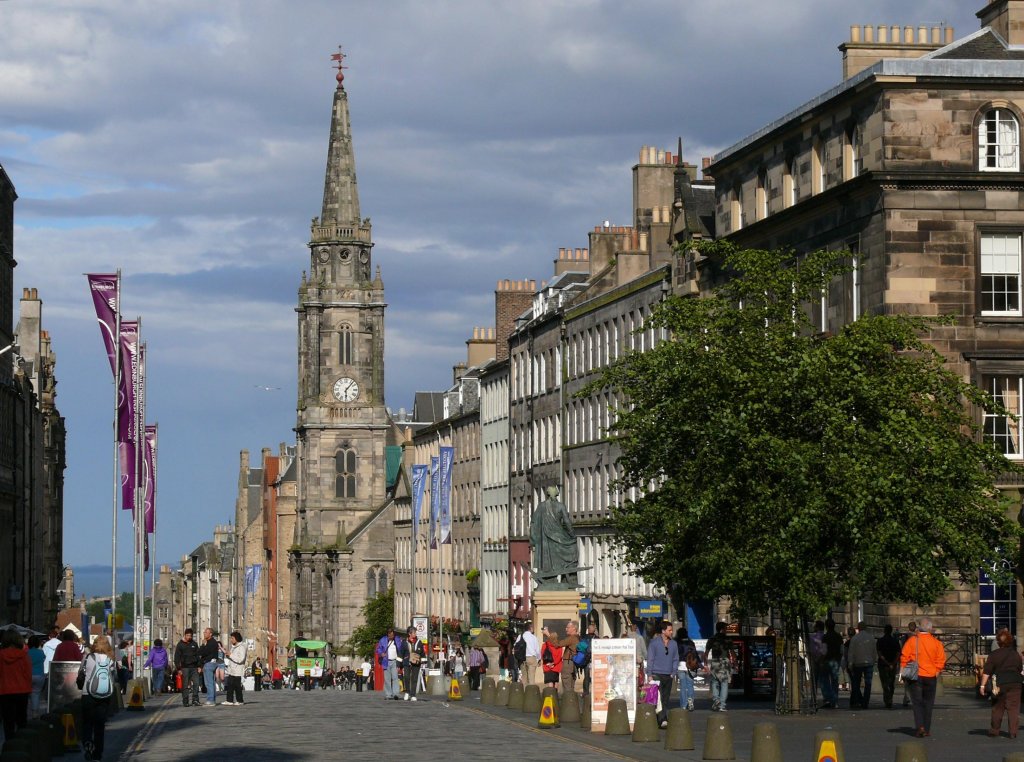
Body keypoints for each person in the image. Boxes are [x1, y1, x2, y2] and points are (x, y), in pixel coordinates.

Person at [900, 617, 945, 738]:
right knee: (928, 703)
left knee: (917, 702)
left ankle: (920, 726)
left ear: (919, 628)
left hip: (916, 676)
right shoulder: (936, 643)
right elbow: (941, 659)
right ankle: (927, 728)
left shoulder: (912, 641)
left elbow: (904, 656)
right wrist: (936, 671)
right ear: (930, 628)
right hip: (930, 675)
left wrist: (903, 671)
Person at [529, 486, 579, 587]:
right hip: (558, 536)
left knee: (548, 556)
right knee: (573, 548)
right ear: (556, 494)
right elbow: (567, 522)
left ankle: (551, 578)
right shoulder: (560, 506)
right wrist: (573, 535)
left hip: (546, 539)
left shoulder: (541, 506)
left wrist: (534, 538)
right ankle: (568, 576)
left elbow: (534, 522)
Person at [79, 635, 116, 761]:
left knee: (87, 723)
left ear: (94, 644)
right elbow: (113, 675)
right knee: (100, 726)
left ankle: (88, 743)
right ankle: (97, 754)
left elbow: (81, 673)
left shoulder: (88, 657)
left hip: (87, 694)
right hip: (104, 695)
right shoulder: (111, 660)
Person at [980, 627, 1022, 738]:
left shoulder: (994, 655)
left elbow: (987, 672)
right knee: (1013, 708)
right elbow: (1019, 668)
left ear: (998, 642)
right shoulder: (1016, 654)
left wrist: (982, 685)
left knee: (998, 707)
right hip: (1015, 682)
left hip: (999, 683)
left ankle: (995, 730)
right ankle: (1013, 732)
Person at [646, 621, 679, 729]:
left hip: (668, 675)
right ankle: (663, 719)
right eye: (669, 630)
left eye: (671, 630)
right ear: (663, 631)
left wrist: (673, 672)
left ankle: (660, 718)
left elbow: (675, 659)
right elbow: (650, 659)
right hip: (656, 674)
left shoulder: (673, 644)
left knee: (665, 698)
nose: (671, 632)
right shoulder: (654, 643)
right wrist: (649, 674)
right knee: (658, 698)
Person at [0, 629, 31, 740]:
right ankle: (21, 745)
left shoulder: (1, 655)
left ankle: (9, 746)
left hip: (5, 691)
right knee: (21, 721)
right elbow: (27, 674)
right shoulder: (23, 655)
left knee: (8, 722)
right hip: (22, 690)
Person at [542, 621, 580, 695]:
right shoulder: (578, 637)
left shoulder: (571, 638)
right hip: (573, 664)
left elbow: (557, 644)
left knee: (567, 686)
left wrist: (548, 635)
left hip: (568, 663)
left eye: (568, 627)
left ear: (574, 628)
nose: (566, 629)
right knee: (571, 685)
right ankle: (571, 702)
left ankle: (568, 704)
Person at [704, 621, 733, 712]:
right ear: (722, 629)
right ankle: (722, 705)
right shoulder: (728, 639)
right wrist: (735, 663)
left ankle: (716, 700)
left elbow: (706, 653)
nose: (727, 630)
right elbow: (732, 652)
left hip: (715, 662)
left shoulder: (712, 639)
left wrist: (705, 664)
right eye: (726, 628)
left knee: (715, 682)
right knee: (724, 683)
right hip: (724, 662)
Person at [847, 621, 875, 709]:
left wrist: (850, 663)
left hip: (858, 663)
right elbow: (874, 651)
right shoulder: (871, 638)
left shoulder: (855, 638)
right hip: (869, 662)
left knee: (856, 683)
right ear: (866, 628)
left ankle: (856, 700)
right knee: (868, 683)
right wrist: (874, 660)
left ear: (858, 628)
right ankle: (865, 702)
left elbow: (851, 652)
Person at [173, 628, 202, 707]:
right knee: (185, 685)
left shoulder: (194, 644)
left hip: (194, 667)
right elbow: (176, 657)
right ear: (185, 635)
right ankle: (185, 700)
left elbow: (198, 655)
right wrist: (178, 668)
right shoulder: (180, 645)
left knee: (196, 683)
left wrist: (199, 666)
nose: (189, 637)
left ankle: (195, 700)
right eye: (188, 635)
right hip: (185, 668)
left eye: (190, 636)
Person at [876, 624, 900, 709]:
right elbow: (898, 653)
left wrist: (886, 662)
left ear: (884, 631)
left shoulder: (880, 641)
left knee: (884, 683)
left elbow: (879, 654)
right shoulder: (895, 641)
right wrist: (893, 663)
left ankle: (887, 699)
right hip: (892, 664)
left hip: (883, 664)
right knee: (891, 682)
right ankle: (890, 698)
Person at [375, 627, 403, 700]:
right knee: (387, 679)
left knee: (395, 678)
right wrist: (381, 654)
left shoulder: (397, 639)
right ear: (387, 634)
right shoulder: (383, 640)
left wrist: (400, 660)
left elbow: (400, 649)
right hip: (386, 661)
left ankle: (396, 694)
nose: (391, 637)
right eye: (390, 635)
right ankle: (388, 694)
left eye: (392, 635)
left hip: (394, 661)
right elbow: (378, 649)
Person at [820, 619, 843, 709]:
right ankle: (835, 701)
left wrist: (821, 660)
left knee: (824, 680)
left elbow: (824, 651)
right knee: (834, 681)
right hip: (836, 661)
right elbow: (841, 650)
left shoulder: (825, 637)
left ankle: (829, 698)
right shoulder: (839, 637)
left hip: (827, 660)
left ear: (826, 626)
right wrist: (839, 659)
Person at [675, 626, 698, 711]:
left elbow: (675, 655)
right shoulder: (691, 643)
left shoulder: (677, 643)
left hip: (680, 666)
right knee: (690, 685)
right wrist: (701, 665)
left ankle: (683, 705)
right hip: (690, 666)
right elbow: (695, 654)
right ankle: (690, 702)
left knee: (683, 687)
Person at [223, 631, 246, 706]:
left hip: (237, 670)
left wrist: (231, 655)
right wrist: (228, 655)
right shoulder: (233, 647)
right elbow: (232, 657)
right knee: (230, 685)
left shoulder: (241, 647)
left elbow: (240, 659)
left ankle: (240, 700)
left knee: (237, 686)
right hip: (231, 669)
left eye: (232, 638)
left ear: (236, 638)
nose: (231, 640)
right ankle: (229, 700)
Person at [199, 628, 221, 706]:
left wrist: (202, 645)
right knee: (211, 682)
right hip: (212, 663)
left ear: (210, 634)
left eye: (206, 632)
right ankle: (212, 699)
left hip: (209, 663)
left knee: (209, 683)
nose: (204, 633)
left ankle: (210, 700)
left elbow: (202, 653)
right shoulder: (211, 642)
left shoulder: (211, 642)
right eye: (204, 632)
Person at [403, 626, 426, 701]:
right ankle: (407, 692)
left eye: (415, 632)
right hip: (407, 662)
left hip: (416, 663)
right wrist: (398, 664)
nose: (415, 634)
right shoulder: (404, 641)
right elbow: (401, 652)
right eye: (414, 632)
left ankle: (413, 695)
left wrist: (423, 661)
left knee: (414, 678)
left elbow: (422, 653)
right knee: (406, 677)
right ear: (410, 633)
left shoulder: (419, 642)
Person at [26, 635, 45, 719]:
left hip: (28, 675)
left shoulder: (26, 653)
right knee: (36, 694)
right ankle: (35, 712)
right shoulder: (41, 652)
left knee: (27, 695)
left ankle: (28, 712)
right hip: (39, 675)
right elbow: (44, 658)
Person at [580, 622, 596, 695]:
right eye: (589, 628)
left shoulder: (597, 638)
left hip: (594, 659)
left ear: (594, 629)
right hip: (586, 659)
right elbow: (581, 647)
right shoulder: (584, 637)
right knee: (586, 676)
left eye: (591, 628)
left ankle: (595, 691)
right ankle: (586, 692)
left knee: (595, 676)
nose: (589, 629)